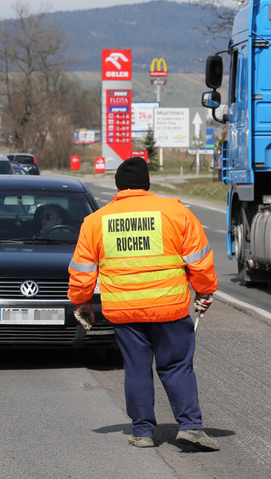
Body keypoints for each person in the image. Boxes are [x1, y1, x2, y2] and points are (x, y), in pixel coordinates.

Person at [68, 157, 220, 451]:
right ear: (147, 184)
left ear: (118, 187)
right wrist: (204, 292)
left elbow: (83, 272)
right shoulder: (176, 212)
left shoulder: (96, 221)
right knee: (176, 366)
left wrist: (82, 303)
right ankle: (190, 427)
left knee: (136, 368)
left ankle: (142, 433)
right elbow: (199, 262)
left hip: (124, 311)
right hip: (169, 308)